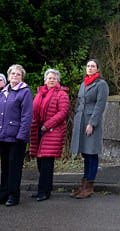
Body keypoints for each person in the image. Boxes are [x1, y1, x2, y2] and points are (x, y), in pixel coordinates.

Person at [0, 64, 33, 206]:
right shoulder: (2, 93)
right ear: (8, 76)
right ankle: (3, 194)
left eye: (18, 74)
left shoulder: (25, 92)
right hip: (2, 136)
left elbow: (27, 116)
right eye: (12, 73)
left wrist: (21, 136)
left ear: (22, 77)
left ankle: (14, 196)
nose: (15, 76)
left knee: (14, 168)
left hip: (16, 137)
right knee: (5, 167)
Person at [70, 59, 109, 199]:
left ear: (98, 69)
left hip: (91, 122)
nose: (90, 68)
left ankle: (89, 186)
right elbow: (80, 103)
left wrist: (92, 123)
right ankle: (83, 184)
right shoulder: (84, 84)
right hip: (81, 121)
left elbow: (100, 105)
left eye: (93, 66)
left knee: (92, 153)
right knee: (85, 154)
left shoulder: (101, 84)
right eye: (88, 66)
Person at [29, 69, 70, 201]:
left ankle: (44, 191)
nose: (51, 80)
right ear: (45, 80)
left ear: (58, 80)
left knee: (47, 162)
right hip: (39, 130)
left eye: (54, 78)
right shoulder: (40, 93)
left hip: (52, 130)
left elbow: (63, 112)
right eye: (49, 78)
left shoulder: (62, 94)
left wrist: (47, 125)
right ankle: (43, 188)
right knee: (40, 162)